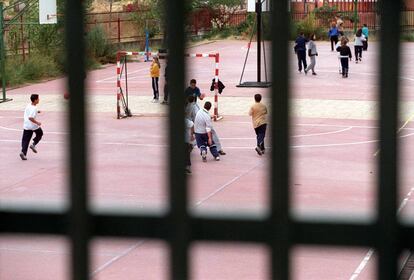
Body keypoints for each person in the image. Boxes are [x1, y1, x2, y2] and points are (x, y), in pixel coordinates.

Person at [20, 94, 43, 160]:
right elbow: (30, 117)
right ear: (35, 100)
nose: (39, 100)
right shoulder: (34, 108)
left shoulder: (29, 105)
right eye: (38, 99)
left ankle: (23, 153)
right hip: (32, 125)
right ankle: (33, 144)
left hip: (26, 125)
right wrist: (37, 122)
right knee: (40, 133)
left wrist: (37, 111)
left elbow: (31, 111)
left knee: (25, 140)